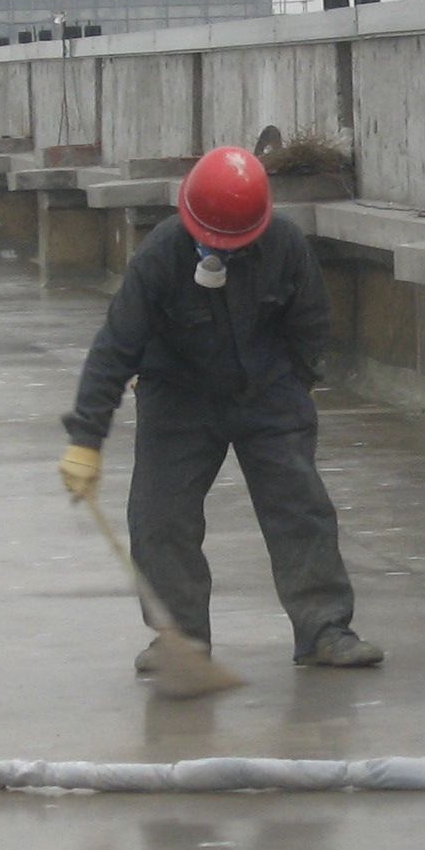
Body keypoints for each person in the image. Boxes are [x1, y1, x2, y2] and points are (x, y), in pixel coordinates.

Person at [58, 146, 383, 674]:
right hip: (178, 397)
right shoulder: (161, 256)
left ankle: (325, 629)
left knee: (301, 510)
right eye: (210, 237)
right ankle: (179, 639)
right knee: (160, 517)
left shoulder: (284, 245)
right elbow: (115, 348)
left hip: (269, 394)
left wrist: (295, 389)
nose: (219, 247)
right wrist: (85, 439)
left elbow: (311, 323)